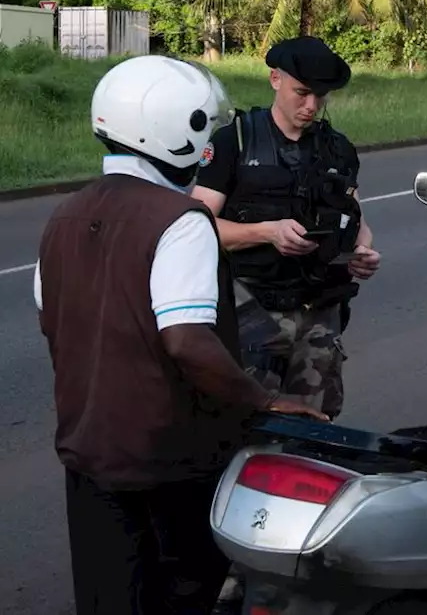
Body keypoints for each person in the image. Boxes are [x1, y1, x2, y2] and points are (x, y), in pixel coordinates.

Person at [34, 55, 327, 615]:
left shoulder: (63, 216)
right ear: (180, 132)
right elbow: (187, 340)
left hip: (89, 452)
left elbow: (56, 319)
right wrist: (263, 399)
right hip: (169, 458)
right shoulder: (180, 221)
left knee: (110, 596)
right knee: (181, 593)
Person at [191, 35, 380, 422]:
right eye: (302, 93)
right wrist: (267, 232)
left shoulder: (338, 149)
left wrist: (363, 251)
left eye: (321, 97)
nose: (311, 106)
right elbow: (195, 225)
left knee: (315, 431)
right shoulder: (235, 141)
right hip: (252, 312)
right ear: (275, 79)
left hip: (319, 315)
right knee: (245, 427)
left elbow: (354, 215)